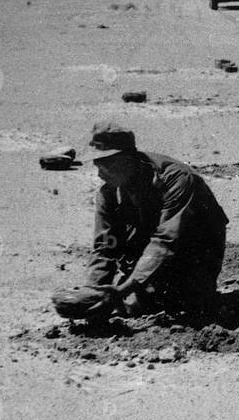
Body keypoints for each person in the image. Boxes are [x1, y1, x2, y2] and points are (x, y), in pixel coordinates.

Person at [51, 122, 229, 321]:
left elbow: (166, 240)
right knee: (127, 303)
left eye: (106, 164)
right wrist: (93, 292)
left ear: (128, 158)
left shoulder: (175, 178)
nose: (100, 173)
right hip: (153, 246)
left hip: (197, 247)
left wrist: (124, 289)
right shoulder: (110, 192)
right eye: (96, 164)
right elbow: (105, 248)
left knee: (183, 305)